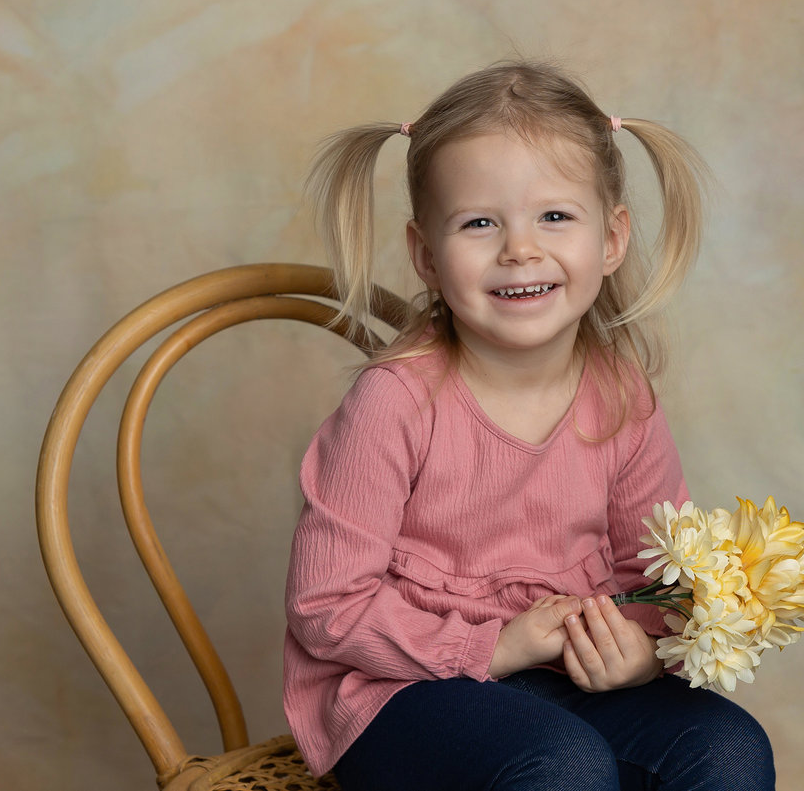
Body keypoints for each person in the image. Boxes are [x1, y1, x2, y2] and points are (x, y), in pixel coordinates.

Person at [283, 61, 775, 790]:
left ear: (610, 239)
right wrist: (493, 645)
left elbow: (655, 578)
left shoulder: (621, 395)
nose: (520, 248)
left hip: (557, 679)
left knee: (728, 746)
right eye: (480, 222)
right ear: (426, 255)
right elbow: (327, 606)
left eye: (554, 216)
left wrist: (642, 650)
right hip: (394, 690)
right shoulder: (395, 401)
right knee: (562, 765)